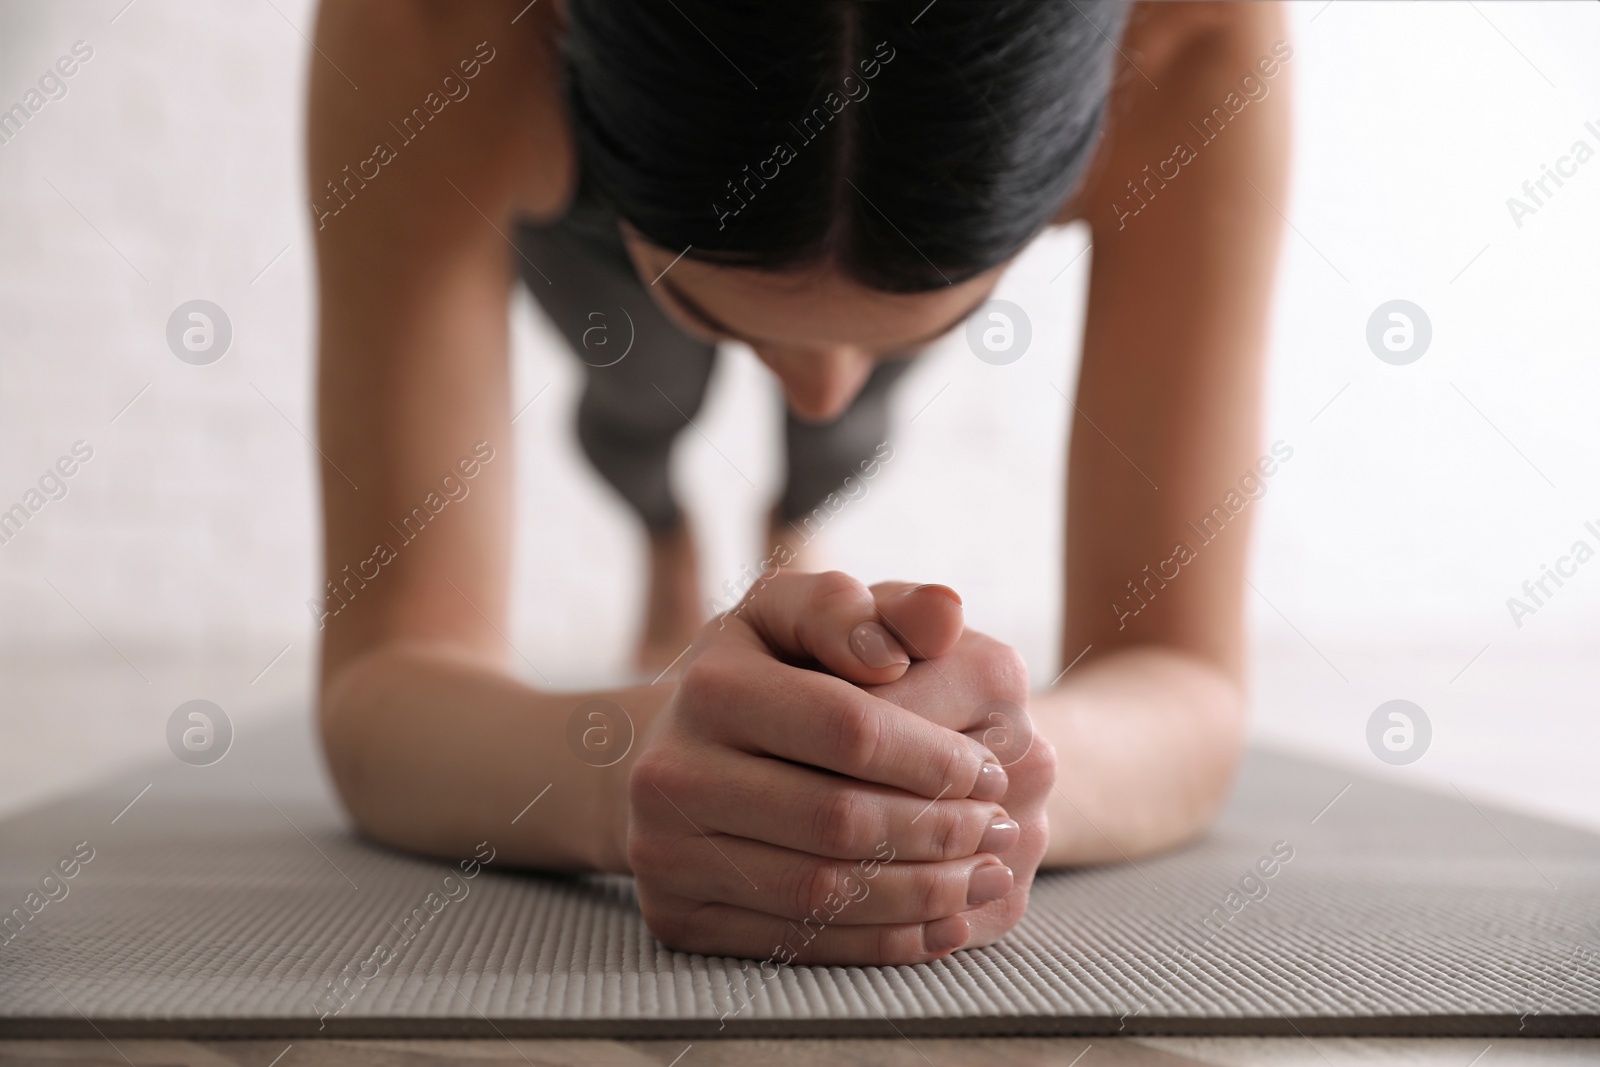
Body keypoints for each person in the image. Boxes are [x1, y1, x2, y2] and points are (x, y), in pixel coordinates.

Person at [308, 0, 1289, 965]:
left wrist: (975, 780)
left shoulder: (1197, 33)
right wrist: (628, 766)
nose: (816, 390)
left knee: (843, 439)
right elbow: (378, 674)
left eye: (951, 312)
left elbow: (1187, 675)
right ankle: (668, 535)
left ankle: (790, 517)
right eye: (709, 295)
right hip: (584, 225)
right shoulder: (424, 27)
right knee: (640, 398)